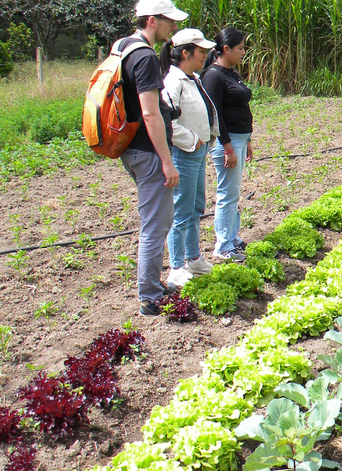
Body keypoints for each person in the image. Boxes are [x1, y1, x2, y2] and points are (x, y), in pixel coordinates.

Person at [119, 0, 188, 315]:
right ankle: (149, 296)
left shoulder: (122, 46)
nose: (172, 26)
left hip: (130, 147)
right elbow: (149, 112)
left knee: (156, 220)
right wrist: (167, 160)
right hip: (148, 151)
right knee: (156, 223)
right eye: (168, 21)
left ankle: (153, 285)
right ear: (151, 20)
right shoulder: (145, 56)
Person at [159, 29, 219, 287]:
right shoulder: (172, 82)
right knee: (181, 211)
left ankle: (193, 258)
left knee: (195, 206)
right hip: (184, 154)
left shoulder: (191, 78)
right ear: (185, 53)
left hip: (197, 153)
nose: (205, 56)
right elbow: (166, 123)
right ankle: (176, 266)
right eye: (201, 52)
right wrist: (194, 140)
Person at [200, 28, 253, 262]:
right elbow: (215, 114)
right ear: (226, 49)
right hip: (227, 142)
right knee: (227, 193)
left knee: (233, 192)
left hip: (239, 140)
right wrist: (228, 147)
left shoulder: (231, 73)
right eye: (240, 48)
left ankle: (232, 237)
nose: (243, 52)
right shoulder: (213, 75)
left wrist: (247, 140)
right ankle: (223, 246)